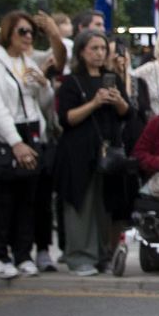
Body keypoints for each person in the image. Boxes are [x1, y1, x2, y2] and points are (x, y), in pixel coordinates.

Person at [0, 11, 57, 279]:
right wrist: (16, 143)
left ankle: (24, 254)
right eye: (22, 31)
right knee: (4, 200)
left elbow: (42, 103)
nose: (28, 36)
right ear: (8, 33)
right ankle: (0, 256)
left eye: (31, 31)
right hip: (7, 136)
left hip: (32, 131)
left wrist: (44, 86)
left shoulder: (27, 63)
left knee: (28, 200)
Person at [54, 32, 132, 276]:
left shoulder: (112, 79)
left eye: (102, 49)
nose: (99, 53)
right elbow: (67, 118)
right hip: (78, 153)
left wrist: (118, 100)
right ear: (81, 52)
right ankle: (79, 256)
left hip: (108, 152)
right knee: (81, 205)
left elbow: (127, 113)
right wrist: (94, 103)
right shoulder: (72, 82)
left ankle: (102, 255)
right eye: (94, 48)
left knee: (103, 205)